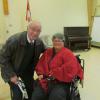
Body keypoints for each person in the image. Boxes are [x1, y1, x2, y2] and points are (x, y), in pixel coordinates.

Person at [0, 20, 45, 100]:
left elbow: (47, 52)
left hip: (27, 72)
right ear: (27, 28)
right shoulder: (14, 40)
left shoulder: (39, 42)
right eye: (33, 29)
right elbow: (2, 58)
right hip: (12, 71)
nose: (35, 33)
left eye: (38, 31)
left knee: (31, 90)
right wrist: (11, 75)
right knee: (18, 93)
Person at [31, 33, 83, 100]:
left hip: (62, 82)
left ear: (63, 42)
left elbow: (69, 69)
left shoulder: (68, 53)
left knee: (55, 97)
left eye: (59, 41)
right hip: (46, 80)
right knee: (36, 96)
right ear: (52, 42)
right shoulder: (48, 52)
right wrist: (42, 74)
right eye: (55, 41)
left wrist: (53, 73)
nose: (57, 42)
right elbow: (41, 65)